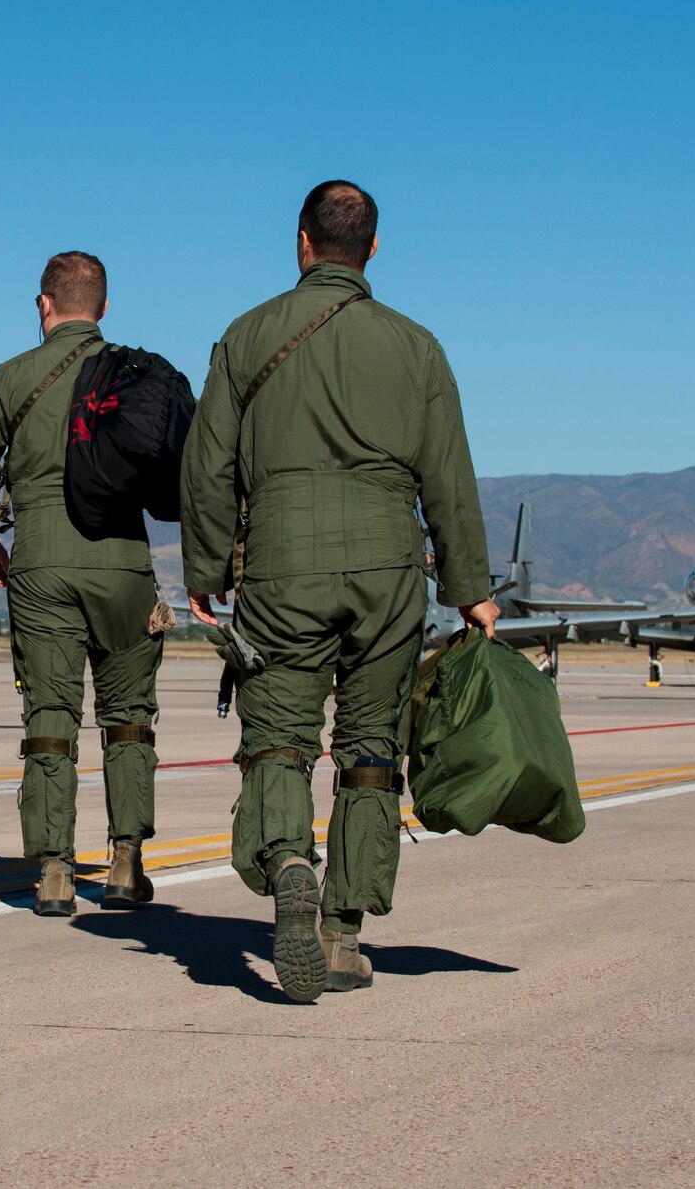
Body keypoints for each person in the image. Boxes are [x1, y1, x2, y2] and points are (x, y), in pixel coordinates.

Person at [180, 181, 496, 1001]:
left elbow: (207, 467)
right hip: (391, 566)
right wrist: (472, 589)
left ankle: (288, 860)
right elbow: (449, 478)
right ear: (375, 249)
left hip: (283, 560)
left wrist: (205, 571)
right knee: (368, 751)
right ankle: (344, 936)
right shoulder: (418, 347)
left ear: (302, 243)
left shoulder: (246, 337)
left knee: (279, 736)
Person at [0, 250, 166, 917]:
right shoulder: (136, 375)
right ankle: (127, 863)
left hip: (42, 560)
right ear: (103, 308)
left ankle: (53, 870)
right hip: (125, 561)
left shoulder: (11, 377)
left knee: (50, 718)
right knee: (128, 718)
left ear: (44, 305)